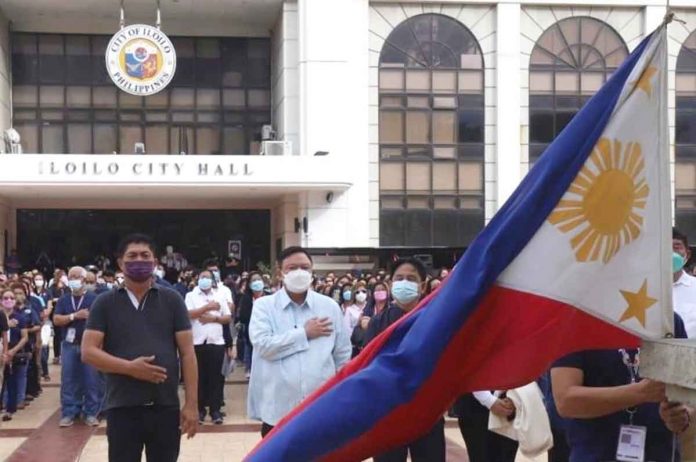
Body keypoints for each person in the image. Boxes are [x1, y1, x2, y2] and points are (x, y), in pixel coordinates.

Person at [82, 234, 198, 462]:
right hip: (122, 406)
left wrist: (191, 404)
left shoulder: (172, 299)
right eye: (132, 256)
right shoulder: (104, 302)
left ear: (155, 262)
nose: (139, 260)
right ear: (120, 263)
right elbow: (88, 352)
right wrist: (130, 368)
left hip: (165, 406)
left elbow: (187, 353)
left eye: (145, 256)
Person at [551, 312, 692, 461]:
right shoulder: (574, 322)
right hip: (596, 454)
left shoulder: (667, 319)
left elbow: (688, 394)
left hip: (659, 454)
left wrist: (681, 416)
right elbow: (565, 401)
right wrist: (641, 393)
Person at [247, 246, 351, 437]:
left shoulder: (329, 307)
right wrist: (304, 333)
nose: (299, 273)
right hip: (278, 411)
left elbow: (342, 354)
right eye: (292, 268)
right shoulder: (264, 306)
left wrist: (338, 394)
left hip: (320, 408)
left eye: (304, 267)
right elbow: (263, 346)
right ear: (280, 273)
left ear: (312, 271)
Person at [364, 258, 445, 462]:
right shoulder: (377, 322)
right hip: (387, 414)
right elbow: (368, 365)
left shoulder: (436, 319)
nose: (404, 282)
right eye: (399, 278)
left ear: (423, 285)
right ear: (391, 284)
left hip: (428, 411)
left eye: (411, 278)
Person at [53, 266, 102, 427]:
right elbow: (57, 319)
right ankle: (69, 412)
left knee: (91, 379)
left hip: (89, 345)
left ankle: (91, 412)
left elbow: (101, 322)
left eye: (77, 276)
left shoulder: (94, 298)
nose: (73, 279)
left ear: (83, 278)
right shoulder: (64, 299)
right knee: (69, 379)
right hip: (69, 344)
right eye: (71, 276)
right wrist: (74, 316)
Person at [185, 269, 232, 425]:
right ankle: (199, 410)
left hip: (216, 341)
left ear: (212, 281)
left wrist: (214, 318)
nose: (204, 279)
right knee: (198, 378)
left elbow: (227, 318)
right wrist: (207, 307)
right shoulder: (191, 296)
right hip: (197, 342)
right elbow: (188, 314)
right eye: (201, 277)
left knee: (216, 378)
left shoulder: (219, 296)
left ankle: (215, 410)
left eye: (207, 277)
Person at [455, 392, 519, 462]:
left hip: (510, 404)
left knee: (505, 457)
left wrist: (515, 398)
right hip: (476, 408)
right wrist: (489, 400)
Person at [1, 288, 29, 421]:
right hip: (1, 351)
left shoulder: (20, 317)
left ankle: (10, 408)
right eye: (5, 298)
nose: (9, 300)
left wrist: (13, 351)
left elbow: (24, 337)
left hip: (14, 351)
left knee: (12, 380)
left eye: (11, 298)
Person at [237, 271, 265, 379]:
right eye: (254, 280)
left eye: (259, 279)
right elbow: (243, 316)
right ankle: (250, 369)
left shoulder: (269, 296)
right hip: (251, 331)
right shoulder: (246, 298)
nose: (257, 282)